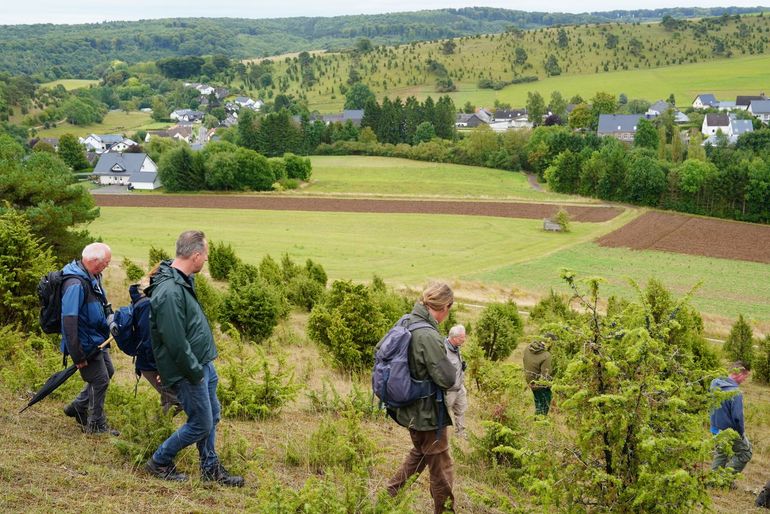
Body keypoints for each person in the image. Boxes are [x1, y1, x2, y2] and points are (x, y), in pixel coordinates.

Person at [143, 230, 244, 487]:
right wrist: (195, 371)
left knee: (212, 416)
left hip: (201, 364)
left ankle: (210, 469)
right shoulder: (170, 290)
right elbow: (174, 340)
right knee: (200, 423)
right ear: (196, 255)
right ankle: (160, 461)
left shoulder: (181, 279)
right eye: (206, 255)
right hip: (189, 370)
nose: (207, 260)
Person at [385, 282, 457, 514]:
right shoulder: (428, 334)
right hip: (427, 414)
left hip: (410, 409)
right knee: (442, 470)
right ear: (445, 306)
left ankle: (387, 499)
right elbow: (447, 378)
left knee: (419, 457)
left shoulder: (407, 321)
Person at [61, 242, 119, 436]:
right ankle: (96, 425)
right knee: (100, 379)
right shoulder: (75, 284)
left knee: (108, 371)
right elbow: (69, 321)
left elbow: (102, 304)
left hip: (96, 339)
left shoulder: (93, 276)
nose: (107, 266)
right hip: (85, 343)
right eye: (106, 262)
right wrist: (77, 355)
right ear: (95, 261)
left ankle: (77, 406)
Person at [127, 274, 181, 414]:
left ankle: (158, 431)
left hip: (156, 361)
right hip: (151, 363)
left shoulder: (152, 301)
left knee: (169, 399)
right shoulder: (147, 305)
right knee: (177, 400)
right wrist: (159, 368)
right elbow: (148, 339)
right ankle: (154, 431)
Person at [710, 361, 752, 473]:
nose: (744, 380)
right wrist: (741, 434)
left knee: (721, 453)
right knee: (745, 453)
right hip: (729, 432)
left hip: (714, 428)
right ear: (739, 373)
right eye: (745, 376)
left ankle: (712, 482)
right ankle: (725, 480)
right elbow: (738, 418)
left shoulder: (715, 383)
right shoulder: (735, 393)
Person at [444, 324, 468, 439]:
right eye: (462, 337)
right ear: (454, 338)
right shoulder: (443, 349)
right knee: (443, 413)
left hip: (459, 387)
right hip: (448, 389)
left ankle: (461, 434)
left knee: (461, 410)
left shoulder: (457, 348)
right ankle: (438, 436)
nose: (464, 340)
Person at [522, 338, 553, 416]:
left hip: (530, 381)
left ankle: (537, 420)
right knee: (544, 405)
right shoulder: (546, 355)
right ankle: (540, 423)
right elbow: (546, 375)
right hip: (540, 384)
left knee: (538, 401)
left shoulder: (528, 347)